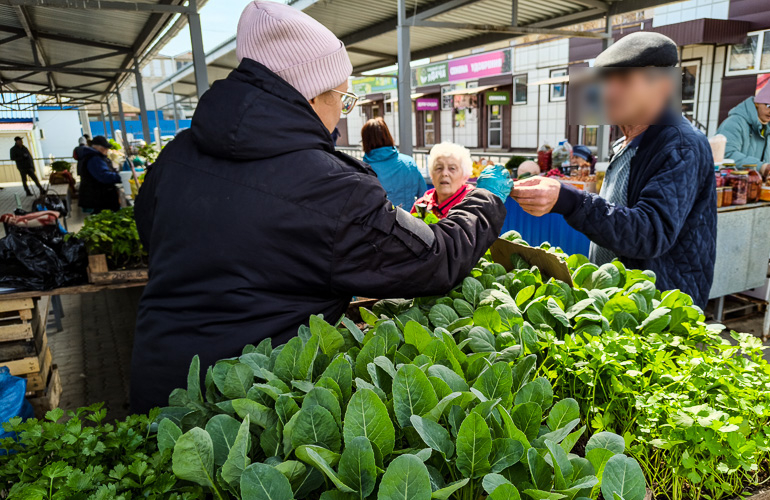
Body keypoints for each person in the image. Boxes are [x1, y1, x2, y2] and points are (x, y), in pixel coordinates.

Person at [130, 1, 509, 412]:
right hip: (243, 405)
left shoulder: (176, 154)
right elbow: (434, 259)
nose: (341, 117)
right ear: (311, 94)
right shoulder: (331, 187)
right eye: (342, 99)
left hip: (160, 381)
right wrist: (485, 199)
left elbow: (150, 232)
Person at [511, 32, 717, 308]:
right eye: (606, 80)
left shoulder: (681, 146)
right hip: (623, 302)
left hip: (661, 309)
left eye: (624, 80)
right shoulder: (626, 142)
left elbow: (650, 232)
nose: (609, 91)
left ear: (664, 86)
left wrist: (570, 201)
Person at [716, 76, 770, 175]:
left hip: (753, 183)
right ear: (757, 103)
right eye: (769, 106)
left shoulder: (769, 128)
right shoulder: (734, 123)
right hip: (730, 183)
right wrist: (761, 167)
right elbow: (726, 154)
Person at [362, 117, 426, 210]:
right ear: (388, 136)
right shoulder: (409, 163)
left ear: (365, 141)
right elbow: (423, 196)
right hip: (410, 222)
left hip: (380, 223)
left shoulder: (363, 170)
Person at [413, 143, 475, 219]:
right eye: (439, 168)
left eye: (452, 168)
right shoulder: (421, 205)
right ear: (431, 175)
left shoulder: (473, 206)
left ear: (465, 176)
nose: (444, 173)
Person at [77, 135, 121, 212]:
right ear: (98, 147)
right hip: (99, 199)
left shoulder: (96, 157)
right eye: (105, 148)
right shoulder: (94, 159)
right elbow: (104, 176)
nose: (107, 150)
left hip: (98, 198)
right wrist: (121, 177)